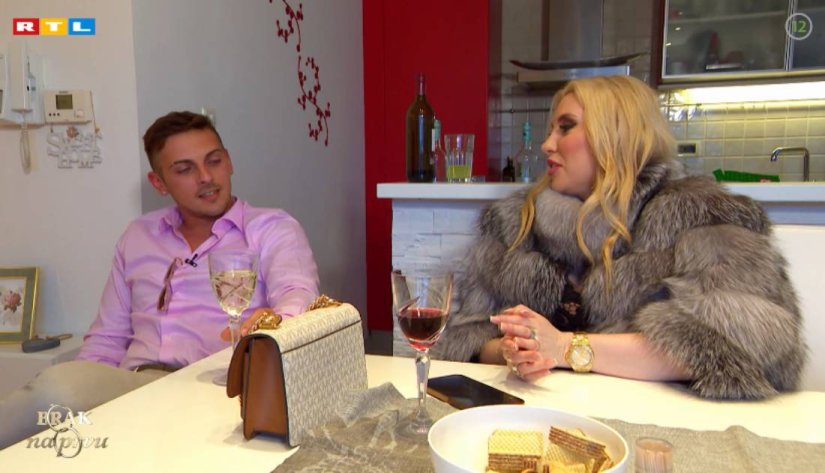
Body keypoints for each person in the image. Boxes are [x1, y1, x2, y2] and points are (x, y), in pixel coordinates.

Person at [435, 75, 805, 400]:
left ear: (615, 136)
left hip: (659, 424)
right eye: (551, 130)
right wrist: (514, 352)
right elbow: (469, 339)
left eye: (566, 127)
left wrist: (566, 348)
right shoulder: (515, 221)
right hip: (540, 415)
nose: (547, 144)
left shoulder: (701, 214)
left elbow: (743, 345)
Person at [0, 111, 320, 449]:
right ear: (159, 183)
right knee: (56, 394)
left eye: (214, 161)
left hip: (215, 386)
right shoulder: (139, 236)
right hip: (133, 385)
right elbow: (108, 338)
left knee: (57, 390)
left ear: (229, 162)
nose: (206, 177)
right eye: (185, 169)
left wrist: (273, 322)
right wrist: (85, 391)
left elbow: (298, 294)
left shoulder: (271, 229)